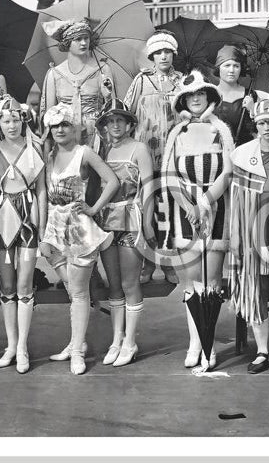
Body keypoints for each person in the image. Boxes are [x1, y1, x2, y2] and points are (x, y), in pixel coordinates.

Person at [37, 104, 119, 375]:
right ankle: (76, 343)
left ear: (75, 127)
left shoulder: (84, 153)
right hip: (54, 230)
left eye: (65, 124)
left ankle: (76, 352)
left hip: (80, 230)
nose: (60, 129)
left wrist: (94, 209)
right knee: (72, 291)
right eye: (55, 125)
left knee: (80, 292)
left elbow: (112, 181)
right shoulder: (48, 155)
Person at [160, 72, 234, 370]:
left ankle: (209, 343)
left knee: (211, 282)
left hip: (216, 209)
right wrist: (188, 205)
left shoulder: (222, 130)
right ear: (183, 100)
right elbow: (168, 174)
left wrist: (205, 200)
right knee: (191, 283)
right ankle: (195, 342)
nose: (195, 99)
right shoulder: (177, 133)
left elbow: (229, 171)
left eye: (200, 94)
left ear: (210, 97)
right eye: (189, 96)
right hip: (184, 211)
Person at [228, 100, 269, 375]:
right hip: (252, 229)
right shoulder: (242, 155)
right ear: (255, 126)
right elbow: (230, 192)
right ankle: (261, 350)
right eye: (261, 123)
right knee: (257, 290)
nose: (266, 127)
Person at [0, 97, 45, 373]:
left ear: (23, 120)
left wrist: (42, 228)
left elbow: (42, 191)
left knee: (25, 286)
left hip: (28, 218)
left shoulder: (35, 148)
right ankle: (10, 345)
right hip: (2, 218)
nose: (11, 125)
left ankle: (22, 346)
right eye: (5, 120)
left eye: (15, 119)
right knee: (7, 286)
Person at [94, 102, 153, 368]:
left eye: (120, 120)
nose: (115, 126)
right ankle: (116, 339)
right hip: (107, 221)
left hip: (131, 218)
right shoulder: (102, 149)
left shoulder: (140, 148)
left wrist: (148, 224)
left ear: (130, 124)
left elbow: (149, 188)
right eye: (110, 121)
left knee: (130, 283)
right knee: (114, 284)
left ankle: (130, 340)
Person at [124, 31, 184, 283]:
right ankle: (148, 263)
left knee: (169, 210)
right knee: (147, 209)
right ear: (151, 56)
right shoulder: (141, 80)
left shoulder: (183, 80)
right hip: (146, 156)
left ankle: (168, 263)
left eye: (167, 51)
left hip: (174, 156)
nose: (163, 56)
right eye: (158, 52)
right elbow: (126, 112)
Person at [42, 20, 116, 147]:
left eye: (86, 38)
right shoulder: (54, 73)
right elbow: (50, 116)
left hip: (95, 135)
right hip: (66, 135)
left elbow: (113, 110)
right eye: (78, 39)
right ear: (67, 42)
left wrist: (108, 96)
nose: (83, 43)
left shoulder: (102, 69)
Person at [212, 45, 258, 146]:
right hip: (216, 152)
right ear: (218, 68)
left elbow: (258, 129)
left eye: (236, 66)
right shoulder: (210, 94)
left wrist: (253, 110)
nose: (231, 70)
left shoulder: (249, 95)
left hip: (244, 151)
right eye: (227, 65)